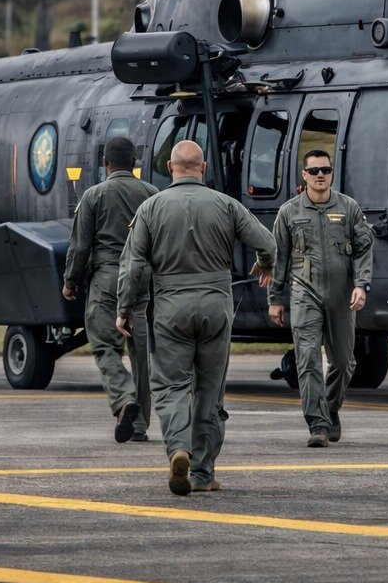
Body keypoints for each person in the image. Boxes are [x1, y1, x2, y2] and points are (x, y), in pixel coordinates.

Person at [117, 140, 275, 496]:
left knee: (171, 386)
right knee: (209, 390)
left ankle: (178, 449)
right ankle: (203, 474)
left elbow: (134, 266)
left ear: (171, 168)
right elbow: (267, 242)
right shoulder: (227, 205)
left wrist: (125, 309)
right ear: (202, 169)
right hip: (217, 306)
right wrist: (265, 265)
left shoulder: (151, 207)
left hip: (171, 307)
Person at [263, 149, 373, 447]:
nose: (320, 175)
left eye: (325, 170)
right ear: (304, 175)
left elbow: (364, 247)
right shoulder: (289, 212)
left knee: (343, 362)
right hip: (304, 294)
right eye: (314, 171)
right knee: (308, 359)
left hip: (341, 296)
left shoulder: (348, 209)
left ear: (331, 173)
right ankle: (318, 425)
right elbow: (280, 257)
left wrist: (361, 285)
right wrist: (276, 299)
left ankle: (330, 408)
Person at [62, 136, 157, 444]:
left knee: (105, 346)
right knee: (141, 353)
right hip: (142, 277)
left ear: (105, 163)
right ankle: (140, 424)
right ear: (135, 164)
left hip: (107, 278)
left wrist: (70, 281)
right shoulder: (152, 195)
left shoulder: (93, 195)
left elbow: (80, 246)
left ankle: (124, 398)